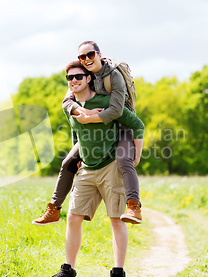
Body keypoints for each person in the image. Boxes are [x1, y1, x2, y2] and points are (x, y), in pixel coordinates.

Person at [46, 61, 145, 277]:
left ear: (89, 78)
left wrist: (135, 154)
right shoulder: (71, 105)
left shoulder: (108, 101)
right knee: (73, 218)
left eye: (78, 76)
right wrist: (77, 154)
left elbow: (135, 123)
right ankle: (68, 270)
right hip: (87, 167)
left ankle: (118, 274)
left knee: (117, 220)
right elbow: (76, 131)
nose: (73, 81)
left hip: (111, 165)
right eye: (69, 78)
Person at [33, 41, 142, 226]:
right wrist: (79, 111)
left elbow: (116, 111)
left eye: (90, 55)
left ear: (99, 54)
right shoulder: (83, 73)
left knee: (124, 159)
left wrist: (89, 117)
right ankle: (54, 208)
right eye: (81, 57)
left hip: (122, 127)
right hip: (92, 126)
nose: (86, 59)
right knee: (67, 162)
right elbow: (67, 102)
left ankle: (134, 206)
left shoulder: (114, 75)